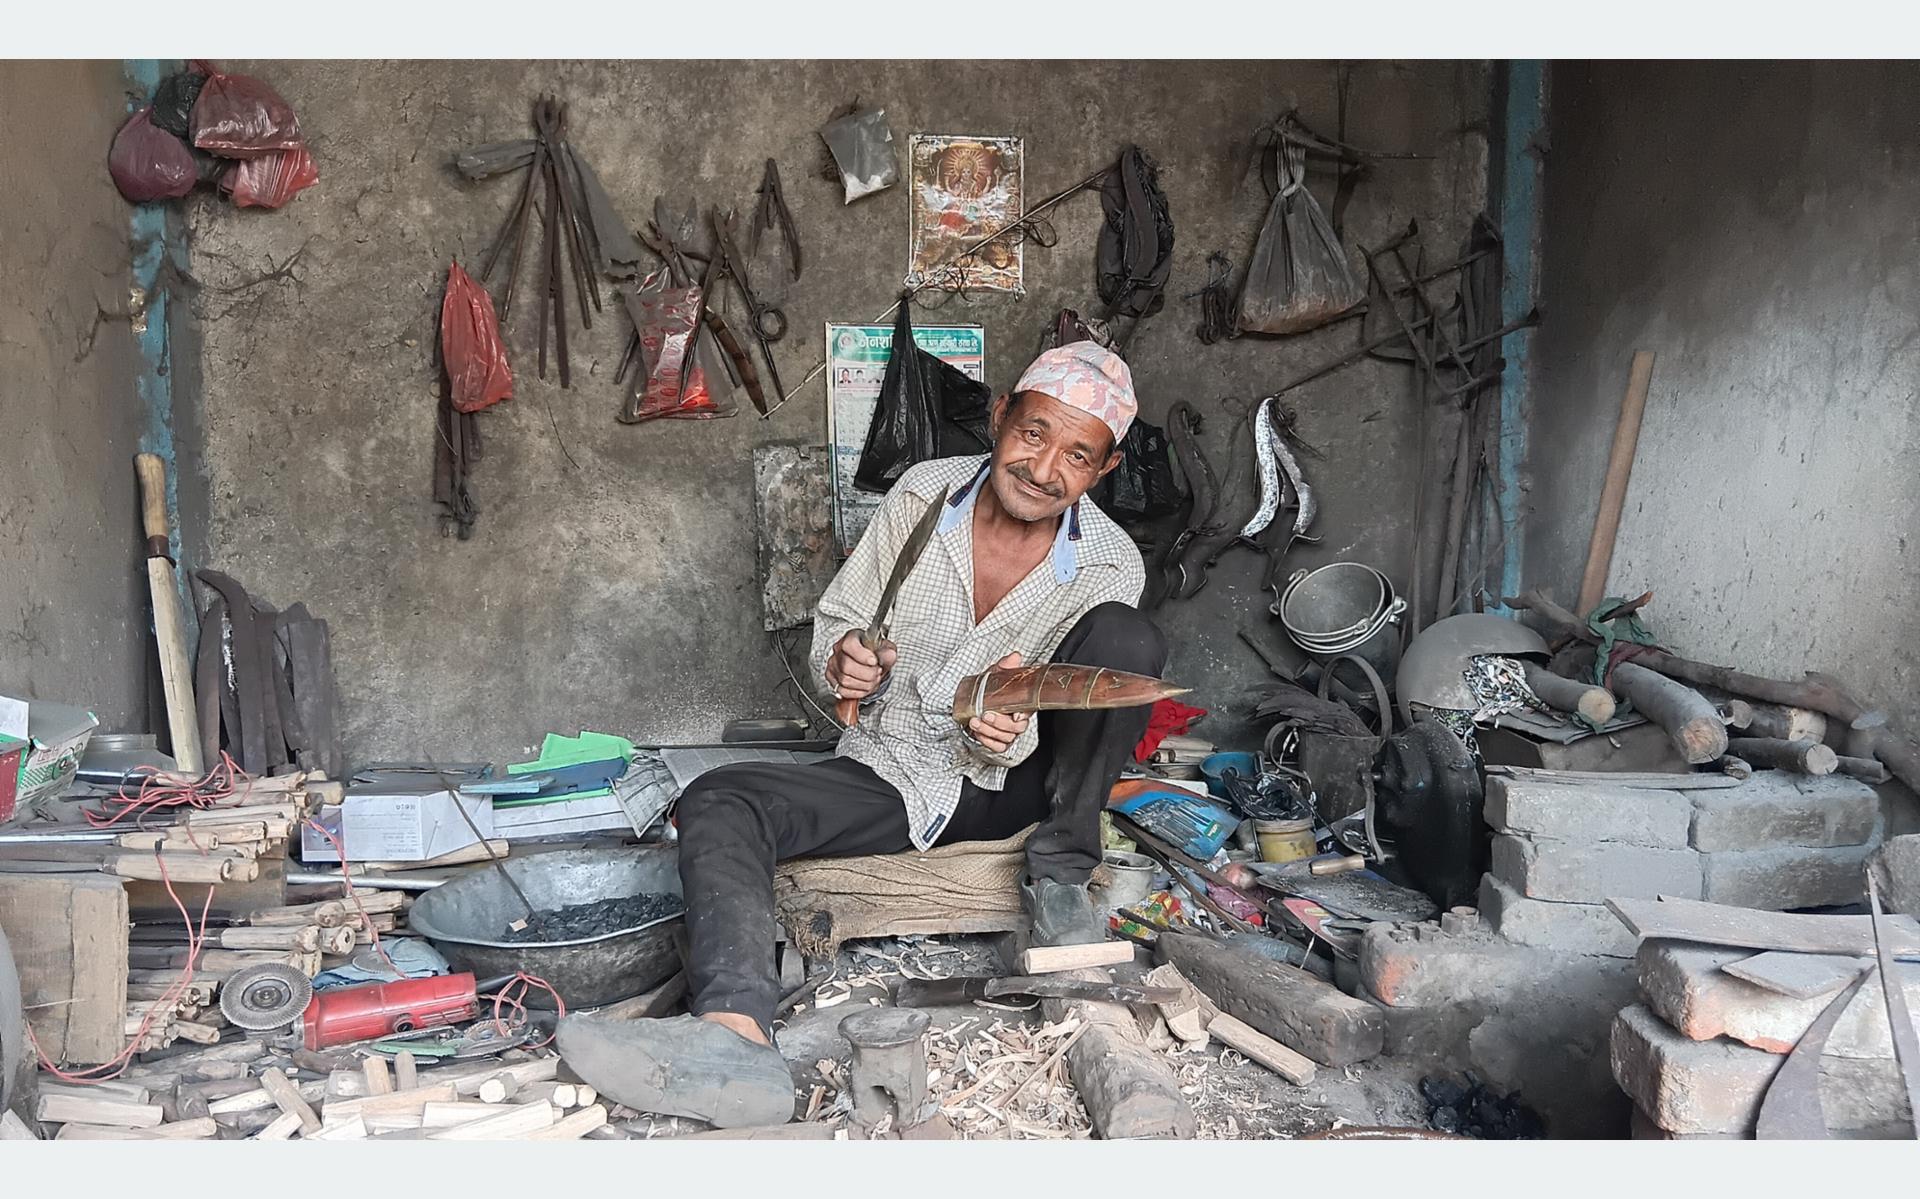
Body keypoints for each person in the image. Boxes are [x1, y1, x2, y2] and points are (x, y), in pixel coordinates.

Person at [559, 341, 1168, 1127]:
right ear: (1000, 417)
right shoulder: (923, 494)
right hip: (896, 768)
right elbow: (843, 625)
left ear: (1104, 468)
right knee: (719, 797)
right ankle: (735, 1039)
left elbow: (1057, 700)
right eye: (1033, 433)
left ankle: (1060, 876)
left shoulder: (1109, 563)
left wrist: (1006, 725)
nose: (1044, 468)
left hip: (1018, 780)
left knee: (1129, 642)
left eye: (1077, 456)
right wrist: (847, 661)